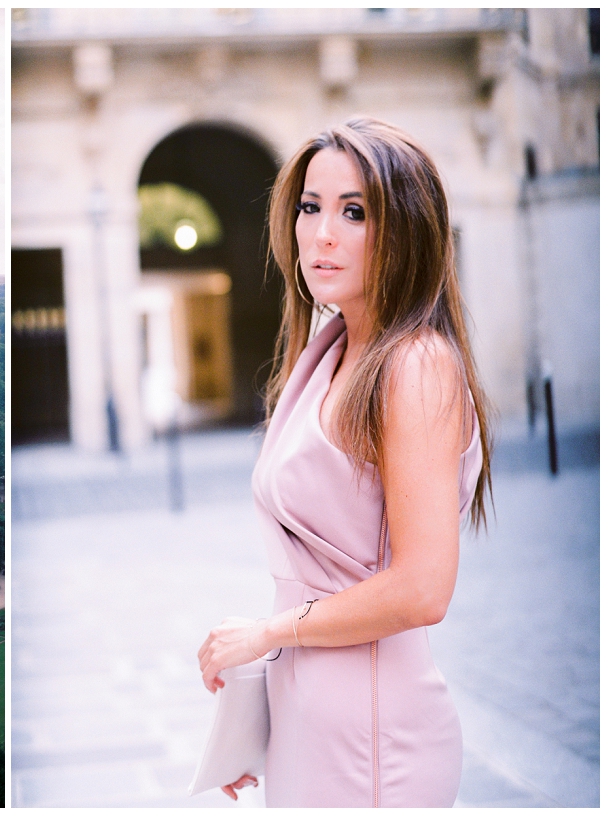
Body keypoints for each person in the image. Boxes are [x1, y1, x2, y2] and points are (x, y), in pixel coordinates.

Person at [196, 118, 493, 808]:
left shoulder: (415, 366)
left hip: (374, 736)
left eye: (354, 212)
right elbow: (315, 581)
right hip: (312, 715)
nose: (322, 233)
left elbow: (423, 588)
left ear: (406, 230)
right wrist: (257, 715)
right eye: (310, 206)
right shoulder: (329, 351)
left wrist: (265, 634)